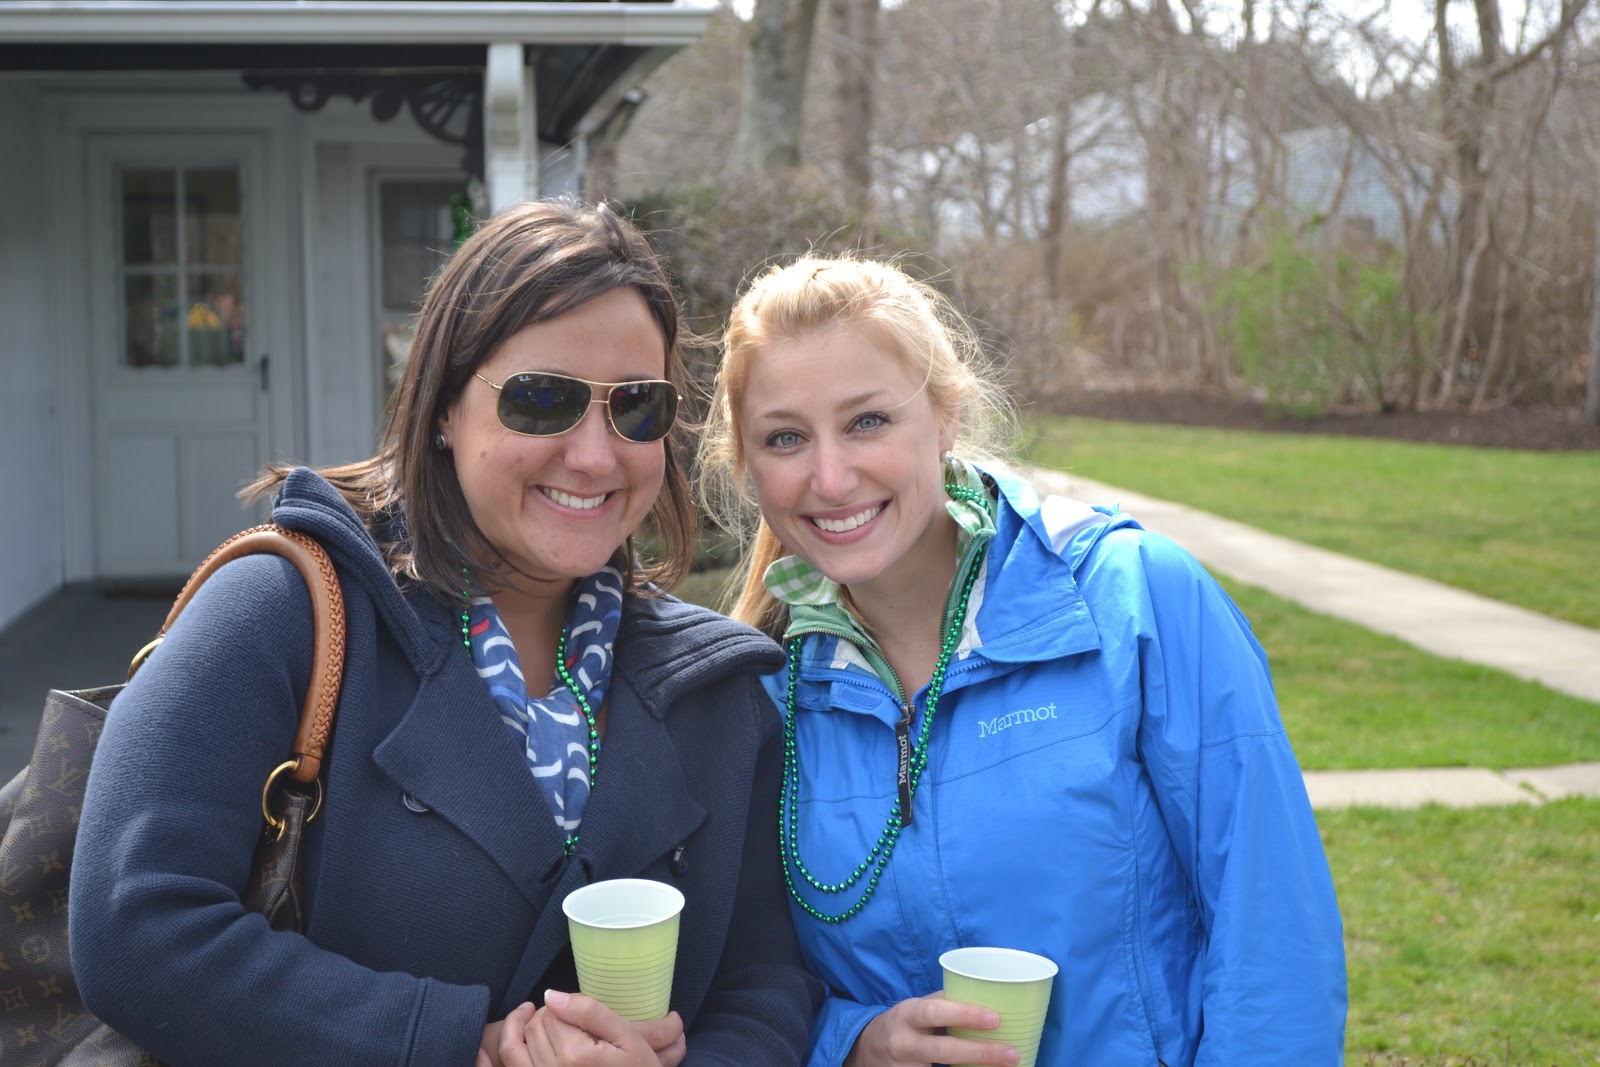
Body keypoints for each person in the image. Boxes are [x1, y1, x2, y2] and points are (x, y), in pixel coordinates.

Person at [71, 199, 821, 1067]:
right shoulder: (283, 613)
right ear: (442, 408)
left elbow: (764, 980)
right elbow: (137, 926)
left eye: (637, 407)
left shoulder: (718, 694)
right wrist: (464, 1045)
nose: (594, 454)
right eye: (541, 399)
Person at [695, 254, 1347, 1066]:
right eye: (786, 437)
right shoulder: (759, 689)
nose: (830, 477)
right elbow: (745, 979)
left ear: (945, 416)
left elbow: (1273, 937)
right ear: (748, 465)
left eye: (867, 421)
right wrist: (850, 1041)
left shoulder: (1137, 601)